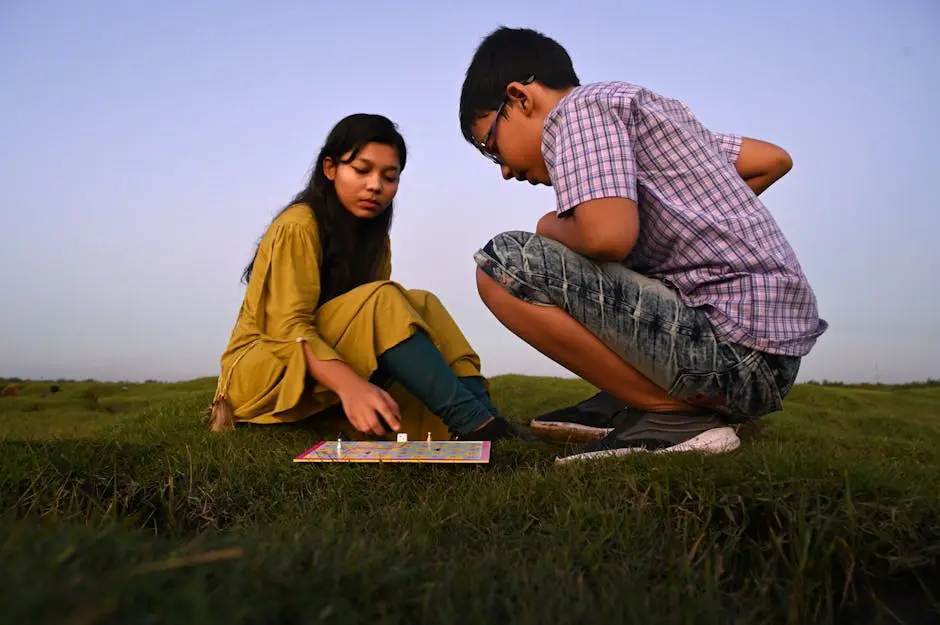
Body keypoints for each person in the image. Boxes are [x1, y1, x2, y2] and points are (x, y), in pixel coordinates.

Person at [457, 27, 828, 462]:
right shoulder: (642, 113)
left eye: (491, 146)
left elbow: (606, 236)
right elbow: (771, 160)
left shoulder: (576, 113)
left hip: (729, 353)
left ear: (520, 98)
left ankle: (670, 417)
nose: (503, 170)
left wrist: (549, 226)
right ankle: (647, 400)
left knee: (503, 265)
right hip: (767, 359)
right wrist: (687, 228)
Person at [208, 113, 531, 442]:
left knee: (423, 303)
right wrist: (350, 385)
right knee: (383, 299)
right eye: (361, 170)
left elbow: (369, 331)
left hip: (318, 364)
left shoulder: (376, 240)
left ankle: (487, 419)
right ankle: (471, 421)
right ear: (330, 168)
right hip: (258, 373)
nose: (375, 185)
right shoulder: (299, 225)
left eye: (389, 177)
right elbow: (285, 328)